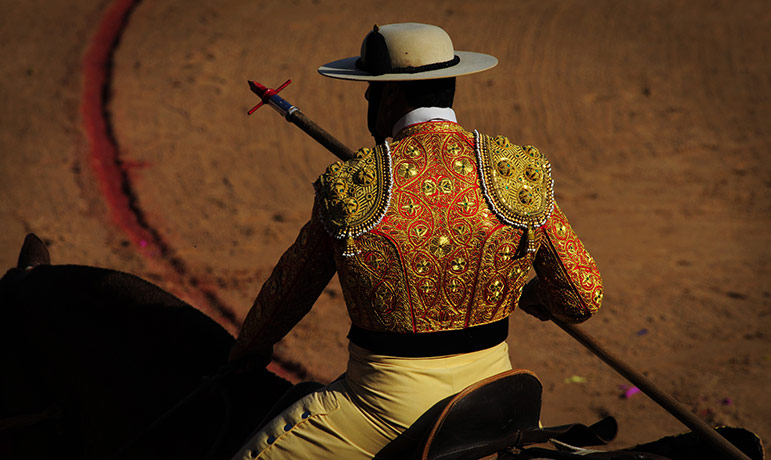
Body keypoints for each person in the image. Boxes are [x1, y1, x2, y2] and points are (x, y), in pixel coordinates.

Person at [229, 23, 603, 459]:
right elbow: (581, 297)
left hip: (383, 409)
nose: (368, 101)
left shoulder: (354, 185)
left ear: (392, 95)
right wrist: (527, 292)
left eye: (370, 90)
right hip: (497, 397)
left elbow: (285, 298)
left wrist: (241, 358)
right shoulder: (515, 172)